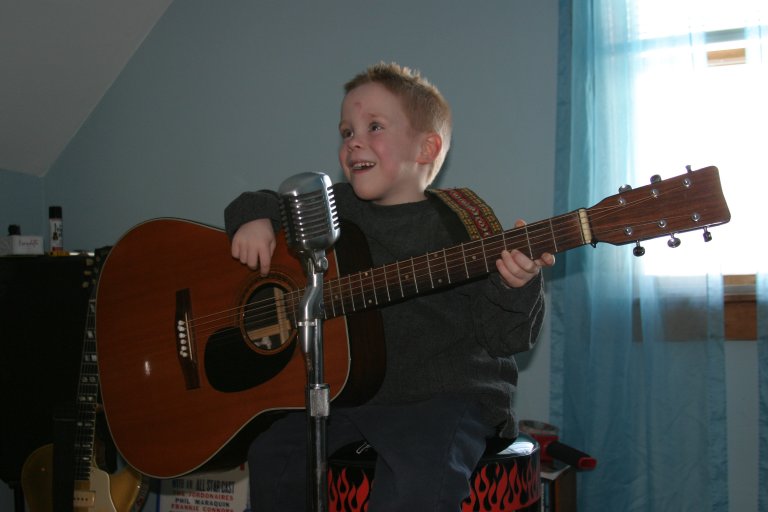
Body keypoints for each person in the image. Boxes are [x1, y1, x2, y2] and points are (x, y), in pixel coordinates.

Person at [224, 62, 555, 511]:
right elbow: (262, 199)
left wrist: (519, 283)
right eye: (346, 131)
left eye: (374, 126)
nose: (353, 141)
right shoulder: (334, 207)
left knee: (418, 478)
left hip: (445, 395)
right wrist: (253, 218)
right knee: (273, 454)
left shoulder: (464, 223)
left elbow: (505, 337)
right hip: (352, 393)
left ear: (426, 147)